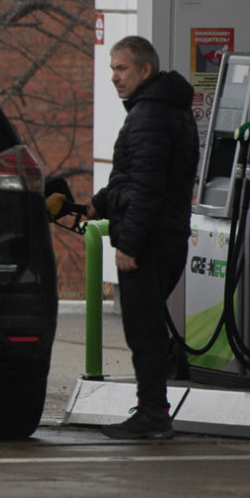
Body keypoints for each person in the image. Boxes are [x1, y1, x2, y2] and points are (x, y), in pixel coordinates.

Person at [86, 35, 198, 440]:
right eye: (112, 69)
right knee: (146, 327)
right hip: (167, 237)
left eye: (122, 68)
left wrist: (128, 245)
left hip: (148, 243)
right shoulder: (165, 109)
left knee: (144, 330)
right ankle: (154, 408)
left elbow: (149, 187)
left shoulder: (149, 114)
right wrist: (98, 203)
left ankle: (153, 412)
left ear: (144, 70)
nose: (114, 77)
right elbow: (137, 176)